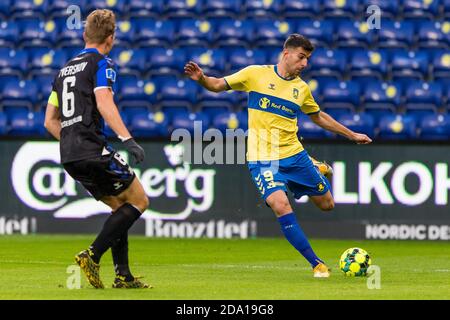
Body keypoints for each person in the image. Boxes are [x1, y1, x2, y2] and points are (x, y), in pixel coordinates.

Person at [184, 34, 372, 277]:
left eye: (308, 59)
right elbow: (218, 85)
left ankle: (315, 168)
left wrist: (350, 134)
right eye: (301, 57)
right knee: (279, 204)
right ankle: (316, 263)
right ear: (287, 54)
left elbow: (318, 116)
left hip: (294, 155)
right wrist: (202, 79)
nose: (305, 64)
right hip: (262, 158)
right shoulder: (255, 74)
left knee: (327, 205)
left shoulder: (301, 89)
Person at [44, 9, 150, 288]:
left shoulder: (63, 70)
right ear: (111, 38)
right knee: (139, 201)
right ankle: (92, 254)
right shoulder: (103, 63)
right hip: (91, 148)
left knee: (120, 207)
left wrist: (71, 141)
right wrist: (127, 139)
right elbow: (104, 102)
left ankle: (123, 276)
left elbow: (49, 121)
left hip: (69, 155)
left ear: (84, 35)